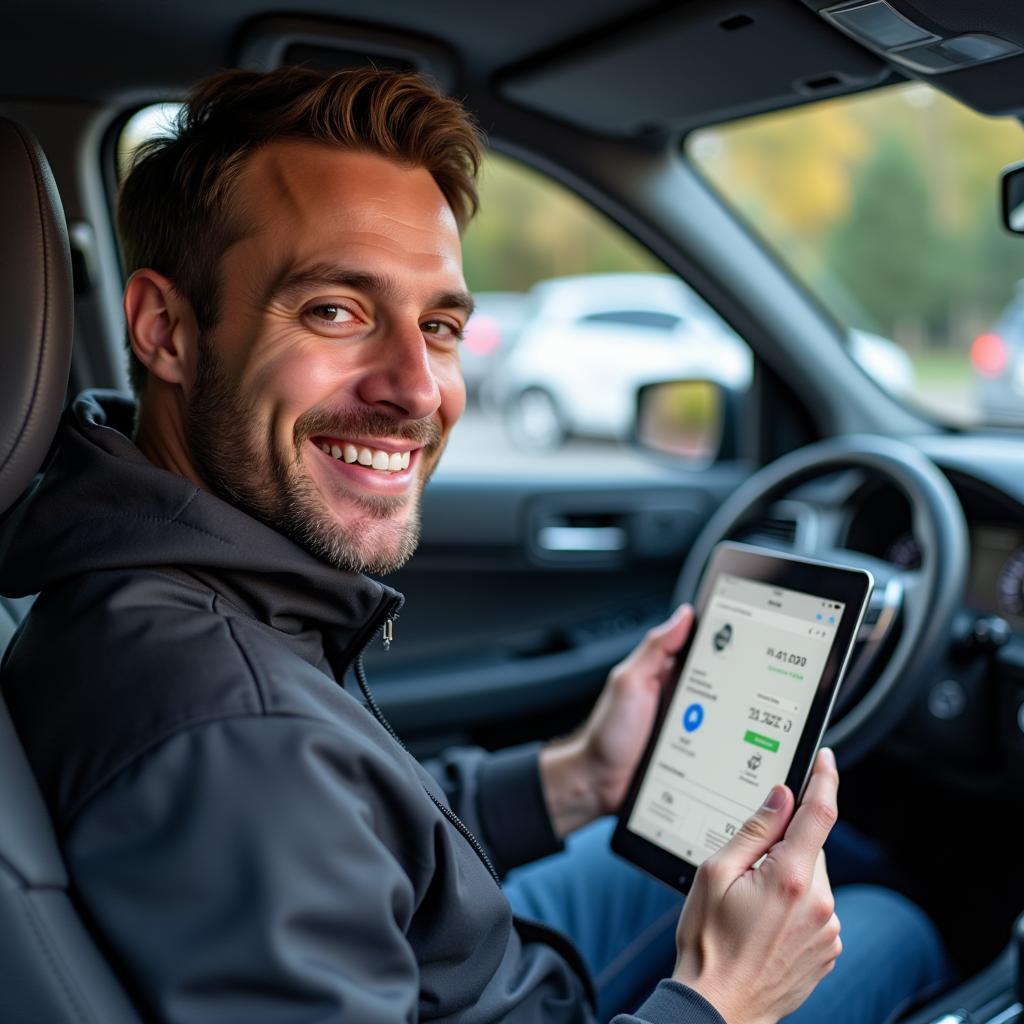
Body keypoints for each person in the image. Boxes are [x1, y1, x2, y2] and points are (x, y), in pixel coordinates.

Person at [0, 66, 948, 1024]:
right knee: (893, 924)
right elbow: (289, 792)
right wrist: (721, 1000)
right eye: (336, 309)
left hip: (457, 966)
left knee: (794, 865)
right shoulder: (229, 734)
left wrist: (579, 777)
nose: (418, 389)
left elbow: (351, 833)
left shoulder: (168, 572)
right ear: (166, 329)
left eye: (441, 324)